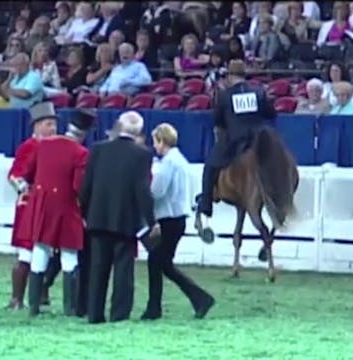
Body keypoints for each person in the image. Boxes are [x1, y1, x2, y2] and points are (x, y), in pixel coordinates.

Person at [80, 111, 159, 324]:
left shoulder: (97, 149)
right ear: (138, 131)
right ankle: (119, 314)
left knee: (98, 269)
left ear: (119, 126)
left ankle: (95, 314)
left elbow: (86, 185)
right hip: (125, 219)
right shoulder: (142, 154)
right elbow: (142, 190)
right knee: (124, 269)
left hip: (98, 217)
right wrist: (151, 221)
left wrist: (84, 213)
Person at [16, 108, 95, 317]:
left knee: (40, 252)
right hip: (67, 207)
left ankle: (33, 306)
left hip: (42, 207)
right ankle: (69, 308)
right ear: (83, 134)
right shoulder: (81, 153)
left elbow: (25, 175)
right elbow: (79, 187)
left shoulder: (43, 146)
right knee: (70, 257)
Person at [195, 59, 276, 244]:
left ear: (230, 76)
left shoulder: (224, 96)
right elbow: (271, 113)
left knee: (210, 166)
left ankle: (206, 203)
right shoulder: (258, 92)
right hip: (260, 141)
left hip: (235, 141)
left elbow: (218, 121)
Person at [142, 123, 215, 321]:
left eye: (156, 142)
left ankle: (157, 307)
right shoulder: (180, 161)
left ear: (161, 141)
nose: (155, 146)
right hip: (177, 217)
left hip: (169, 218)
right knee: (162, 263)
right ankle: (197, 298)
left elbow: (157, 191)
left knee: (157, 261)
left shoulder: (168, 163)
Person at [5, 101, 57, 310]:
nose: (52, 128)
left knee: (48, 252)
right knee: (27, 253)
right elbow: (15, 175)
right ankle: (17, 298)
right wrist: (30, 192)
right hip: (32, 207)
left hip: (48, 205)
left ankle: (40, 294)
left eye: (53, 124)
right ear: (36, 126)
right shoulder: (30, 147)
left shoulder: (54, 146)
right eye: (47, 124)